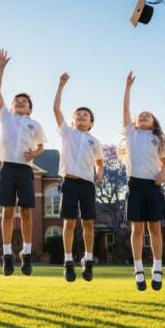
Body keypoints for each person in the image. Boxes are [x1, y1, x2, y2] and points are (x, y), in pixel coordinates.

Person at [0, 49, 47, 276]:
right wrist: (1, 68)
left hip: (25, 170)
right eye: (17, 101)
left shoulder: (34, 124)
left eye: (24, 101)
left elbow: (41, 146)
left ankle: (25, 254)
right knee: (7, 211)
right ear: (12, 107)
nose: (20, 102)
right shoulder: (6, 116)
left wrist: (34, 153)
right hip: (7, 167)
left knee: (26, 212)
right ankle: (7, 256)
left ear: (30, 108)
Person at [121, 71, 165, 291]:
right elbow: (125, 110)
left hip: (153, 186)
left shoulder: (158, 138)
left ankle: (157, 269)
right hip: (135, 185)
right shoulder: (130, 134)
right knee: (137, 229)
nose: (143, 116)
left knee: (155, 229)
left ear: (153, 123)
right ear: (134, 122)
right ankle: (138, 269)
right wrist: (128, 87)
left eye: (147, 115)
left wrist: (162, 173)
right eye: (140, 115)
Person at [53, 73, 104, 282]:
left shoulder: (95, 141)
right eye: (78, 114)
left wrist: (100, 173)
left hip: (87, 184)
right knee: (69, 223)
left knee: (89, 223)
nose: (81, 116)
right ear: (73, 121)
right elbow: (56, 109)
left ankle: (88, 260)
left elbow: (100, 162)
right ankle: (68, 262)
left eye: (85, 115)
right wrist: (60, 86)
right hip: (70, 181)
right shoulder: (67, 133)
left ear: (91, 122)